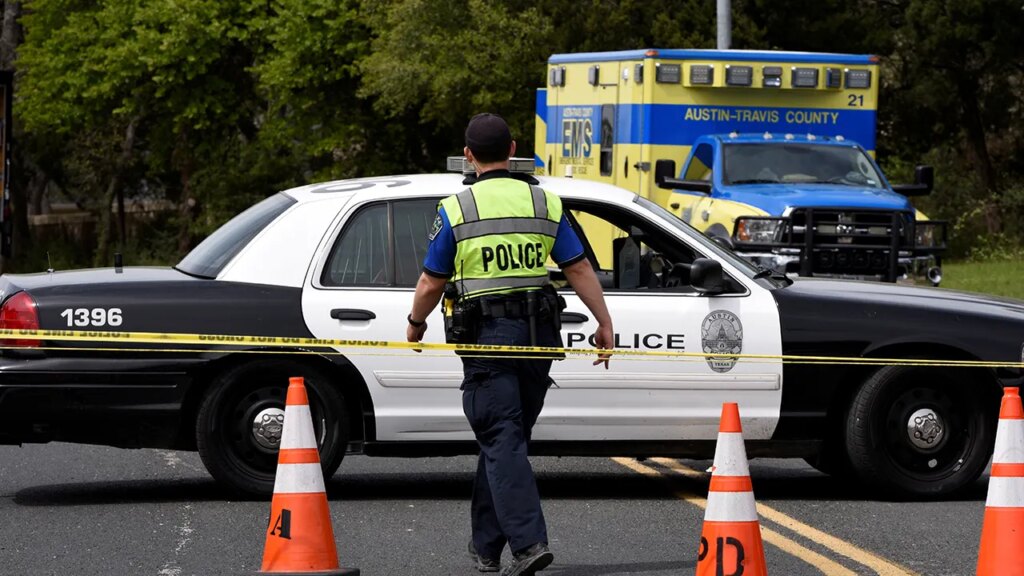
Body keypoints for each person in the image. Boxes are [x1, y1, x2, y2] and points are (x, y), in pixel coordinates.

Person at [406, 113, 613, 576]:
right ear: (513, 148)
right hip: (538, 340)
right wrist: (604, 322)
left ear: (468, 155)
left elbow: (430, 280)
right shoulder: (546, 202)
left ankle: (527, 544)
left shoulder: (457, 207)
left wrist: (415, 322)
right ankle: (485, 547)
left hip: (488, 341)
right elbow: (578, 268)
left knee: (502, 439)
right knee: (507, 441)